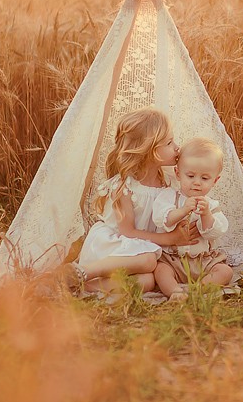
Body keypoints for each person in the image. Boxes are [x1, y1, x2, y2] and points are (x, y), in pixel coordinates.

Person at [62, 108, 199, 294]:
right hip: (115, 246)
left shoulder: (169, 181)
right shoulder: (125, 186)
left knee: (147, 281)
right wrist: (169, 239)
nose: (177, 147)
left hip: (142, 250)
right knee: (149, 260)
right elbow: (128, 232)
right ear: (148, 150)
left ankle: (81, 287)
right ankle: (83, 272)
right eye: (168, 142)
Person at [152, 138, 233, 301]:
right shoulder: (169, 196)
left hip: (203, 261)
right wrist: (182, 210)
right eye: (190, 176)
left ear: (215, 180)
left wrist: (206, 215)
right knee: (160, 270)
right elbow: (163, 220)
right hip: (173, 260)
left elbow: (215, 232)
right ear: (178, 174)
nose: (196, 183)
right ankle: (175, 292)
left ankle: (198, 289)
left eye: (204, 178)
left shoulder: (211, 204)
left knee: (225, 272)